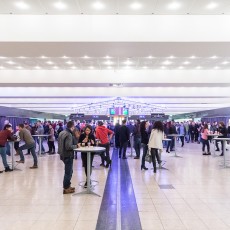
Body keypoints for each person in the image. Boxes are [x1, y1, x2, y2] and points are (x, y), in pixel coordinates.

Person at [58, 121, 77, 194]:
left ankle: (68, 186)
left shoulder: (62, 132)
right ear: (72, 127)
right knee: (68, 172)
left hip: (62, 154)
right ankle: (66, 188)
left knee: (69, 171)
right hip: (68, 155)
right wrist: (77, 146)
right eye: (74, 126)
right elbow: (68, 146)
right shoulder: (69, 134)